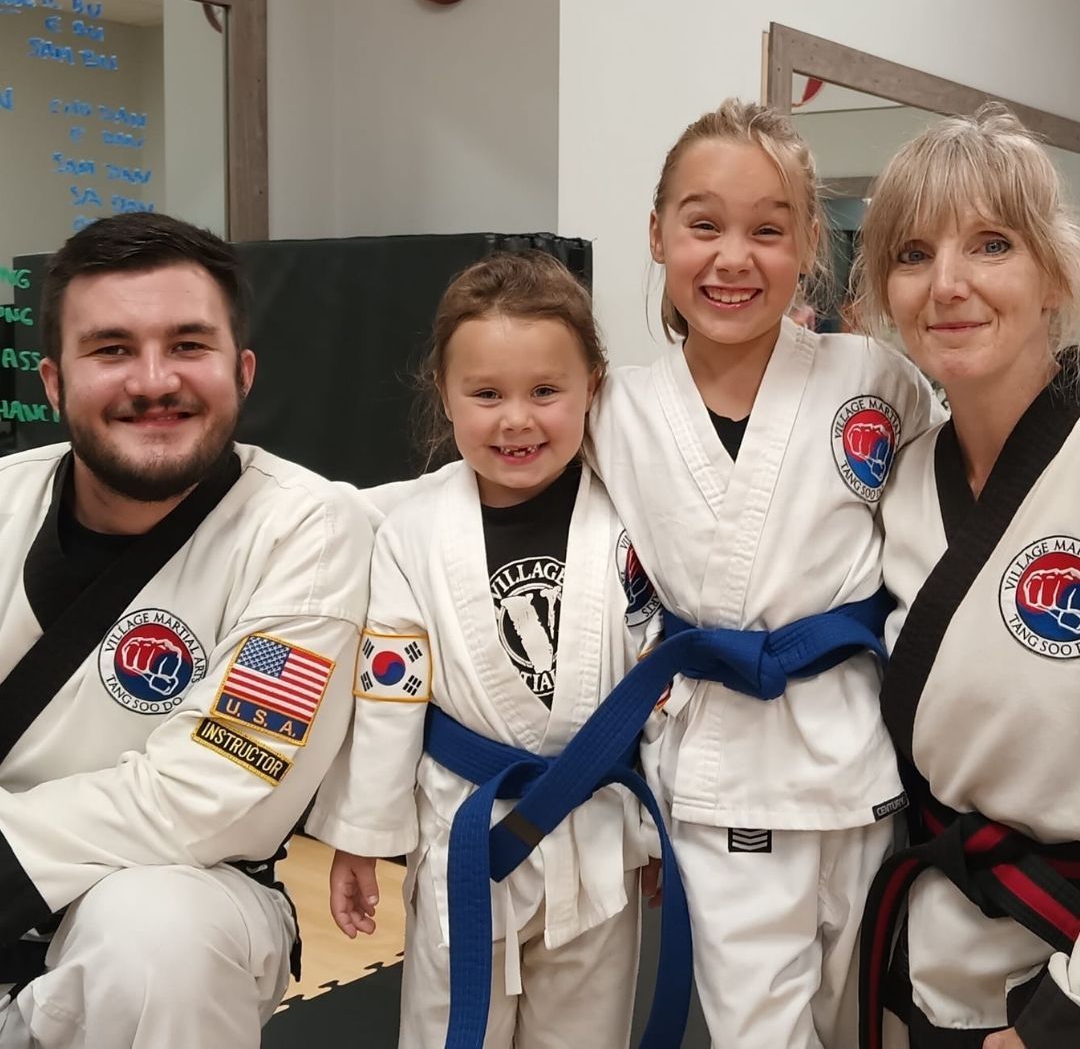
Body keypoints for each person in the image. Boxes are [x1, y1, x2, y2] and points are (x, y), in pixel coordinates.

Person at [585, 99, 942, 1048]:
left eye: (767, 230)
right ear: (658, 234)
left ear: (807, 246)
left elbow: (938, 547)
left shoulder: (877, 380)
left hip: (864, 763)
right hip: (722, 774)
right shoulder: (607, 408)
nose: (733, 258)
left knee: (873, 1019)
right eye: (703, 225)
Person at [0, 212, 372, 1049]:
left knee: (157, 933)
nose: (153, 379)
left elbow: (223, 789)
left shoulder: (305, 530)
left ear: (241, 372)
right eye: (112, 349)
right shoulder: (3, 503)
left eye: (188, 345)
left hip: (181, 899)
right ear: (55, 384)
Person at [307, 252, 667, 1049]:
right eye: (486, 394)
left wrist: (658, 829)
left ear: (592, 389)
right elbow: (389, 693)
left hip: (596, 833)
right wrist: (362, 838)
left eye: (546, 391)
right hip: (463, 843)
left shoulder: (630, 519)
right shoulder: (410, 533)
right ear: (445, 393)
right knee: (449, 1034)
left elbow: (659, 686)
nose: (517, 420)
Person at [854, 106, 1080, 1049]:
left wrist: (1060, 1019)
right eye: (913, 253)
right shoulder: (894, 482)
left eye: (991, 244)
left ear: (1054, 274)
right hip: (925, 952)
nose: (948, 285)